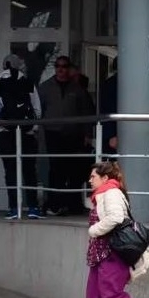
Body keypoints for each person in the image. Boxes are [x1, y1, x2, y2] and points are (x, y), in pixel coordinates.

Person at [75, 161, 149, 298]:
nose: (90, 180)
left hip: (112, 253)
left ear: (105, 178)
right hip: (99, 254)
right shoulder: (102, 194)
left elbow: (115, 218)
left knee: (110, 296)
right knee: (95, 297)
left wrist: (94, 230)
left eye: (93, 176)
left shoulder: (111, 192)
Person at [0, 54, 44, 219]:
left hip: (6, 135)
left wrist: (5, 124)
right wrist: (32, 127)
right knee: (30, 171)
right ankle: (33, 208)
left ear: (4, 66)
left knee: (10, 171)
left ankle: (13, 209)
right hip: (27, 134)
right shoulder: (28, 83)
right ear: (20, 66)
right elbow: (37, 111)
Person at [38, 55, 94, 216]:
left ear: (68, 68)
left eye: (64, 66)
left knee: (74, 170)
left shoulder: (77, 89)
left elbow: (86, 112)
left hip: (73, 135)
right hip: (52, 134)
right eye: (57, 66)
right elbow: (38, 111)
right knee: (56, 169)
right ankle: (55, 204)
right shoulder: (45, 88)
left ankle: (73, 205)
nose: (60, 69)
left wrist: (87, 134)